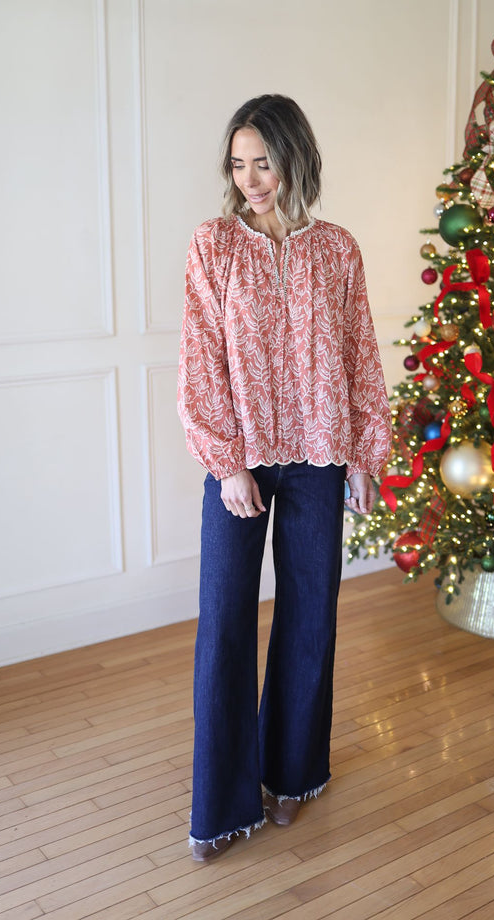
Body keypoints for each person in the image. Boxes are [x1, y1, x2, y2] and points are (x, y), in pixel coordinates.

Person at [177, 94, 392, 862]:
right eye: (238, 165)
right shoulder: (214, 246)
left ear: (295, 159)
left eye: (262, 162)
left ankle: (294, 774)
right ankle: (221, 804)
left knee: (311, 618)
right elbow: (200, 355)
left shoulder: (338, 249)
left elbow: (360, 352)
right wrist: (226, 464)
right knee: (225, 621)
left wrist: (365, 455)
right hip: (242, 458)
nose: (250, 179)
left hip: (321, 456)